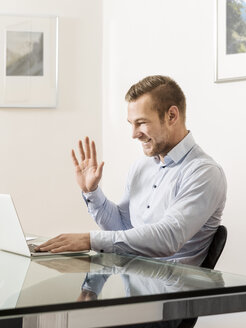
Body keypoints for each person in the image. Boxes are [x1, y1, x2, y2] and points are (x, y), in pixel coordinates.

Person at [36, 75, 227, 266]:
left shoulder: (204, 173)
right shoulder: (141, 167)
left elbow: (168, 238)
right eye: (131, 124)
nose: (134, 134)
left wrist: (89, 240)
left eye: (141, 123)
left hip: (173, 291)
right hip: (132, 280)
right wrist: (91, 192)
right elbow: (122, 227)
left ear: (171, 116)